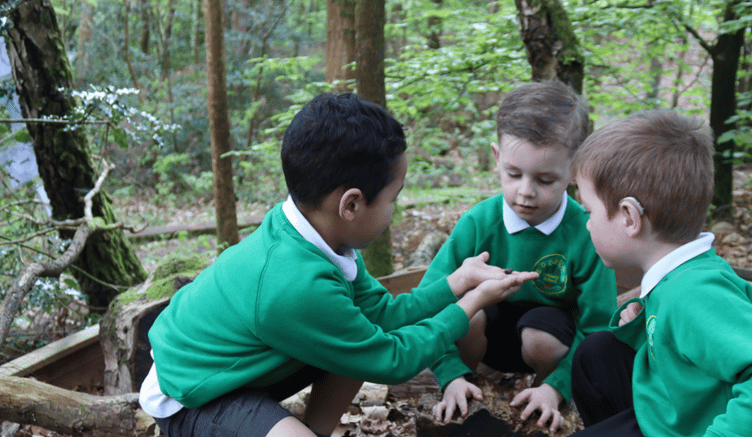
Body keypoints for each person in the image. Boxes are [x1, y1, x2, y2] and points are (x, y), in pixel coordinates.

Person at [138, 92, 539, 437]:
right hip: (195, 393)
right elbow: (393, 360)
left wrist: (457, 281)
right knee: (364, 347)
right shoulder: (295, 284)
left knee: (357, 339)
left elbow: (384, 315)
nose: (395, 212)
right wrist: (471, 303)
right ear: (351, 204)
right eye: (393, 198)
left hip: (243, 366)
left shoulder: (320, 235)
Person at [420, 81, 616, 433]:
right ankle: (462, 387)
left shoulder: (585, 233)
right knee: (469, 313)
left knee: (541, 334)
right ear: (497, 157)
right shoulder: (479, 223)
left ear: (574, 170)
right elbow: (430, 300)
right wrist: (447, 371)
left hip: (548, 337)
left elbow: (599, 324)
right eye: (513, 174)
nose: (525, 192)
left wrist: (558, 386)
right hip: (484, 339)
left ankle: (544, 398)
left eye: (544, 180)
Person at [570, 109, 752, 436]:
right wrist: (642, 325)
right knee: (597, 354)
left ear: (629, 217)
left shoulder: (693, 293)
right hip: (671, 406)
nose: (587, 224)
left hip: (699, 427)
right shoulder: (678, 276)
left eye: (589, 210)